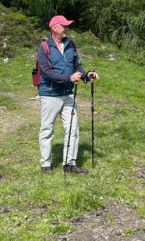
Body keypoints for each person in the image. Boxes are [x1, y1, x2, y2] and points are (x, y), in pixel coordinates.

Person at [37, 15, 99, 175]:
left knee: (73, 128)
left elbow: (77, 65)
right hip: (50, 94)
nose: (67, 28)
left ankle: (69, 163)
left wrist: (86, 75)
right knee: (47, 129)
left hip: (67, 94)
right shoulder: (44, 47)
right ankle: (45, 164)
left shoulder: (70, 45)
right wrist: (69, 78)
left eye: (67, 26)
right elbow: (46, 72)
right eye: (64, 26)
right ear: (54, 28)